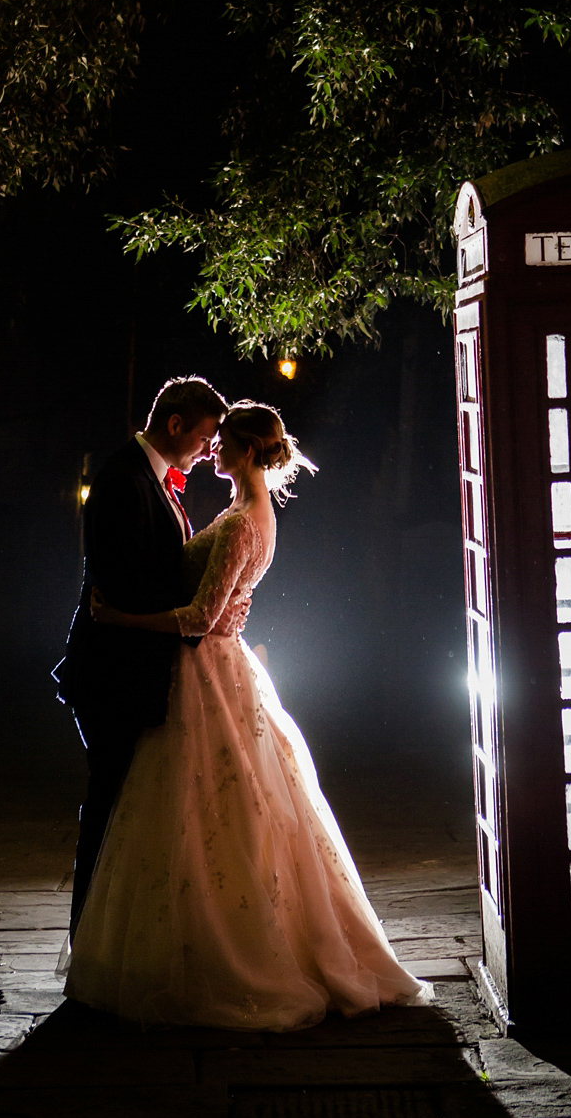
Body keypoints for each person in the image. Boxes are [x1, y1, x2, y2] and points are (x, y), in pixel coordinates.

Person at [64, 401, 431, 1030]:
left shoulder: (239, 524)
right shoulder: (246, 512)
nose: (210, 451)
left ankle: (202, 954)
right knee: (216, 815)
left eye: (219, 441)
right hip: (212, 669)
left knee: (196, 814)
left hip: (206, 666)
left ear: (244, 451)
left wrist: (122, 618)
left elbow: (200, 619)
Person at [52, 374, 225, 931]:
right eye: (203, 438)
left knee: (123, 803)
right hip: (113, 670)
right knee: (109, 801)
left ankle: (112, 931)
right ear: (174, 425)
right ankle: (90, 936)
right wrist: (198, 612)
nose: (206, 452)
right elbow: (125, 581)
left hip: (134, 666)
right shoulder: (124, 481)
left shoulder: (153, 480)